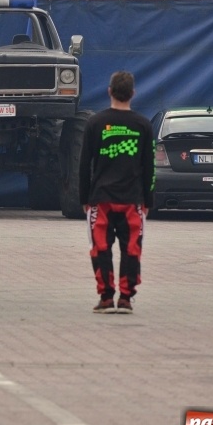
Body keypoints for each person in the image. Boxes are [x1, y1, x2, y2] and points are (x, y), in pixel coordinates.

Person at [79, 71, 155, 314]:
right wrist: (148, 200)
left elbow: (83, 165)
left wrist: (83, 199)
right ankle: (125, 298)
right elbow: (149, 167)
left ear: (109, 91)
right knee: (132, 248)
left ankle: (105, 297)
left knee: (100, 247)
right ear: (133, 93)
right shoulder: (143, 125)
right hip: (133, 200)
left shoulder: (95, 123)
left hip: (100, 200)